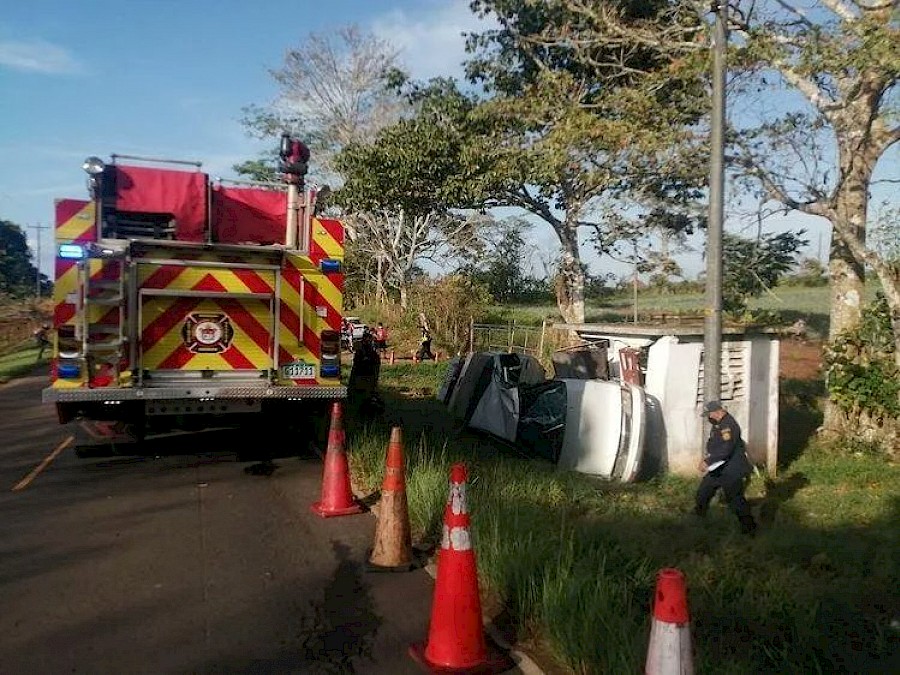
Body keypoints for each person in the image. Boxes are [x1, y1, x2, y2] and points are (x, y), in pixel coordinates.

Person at [694, 401, 757, 535]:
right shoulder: (718, 425)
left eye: (710, 414)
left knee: (735, 499)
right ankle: (698, 521)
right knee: (703, 493)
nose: (709, 418)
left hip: (731, 470)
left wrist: (708, 461)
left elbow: (726, 449)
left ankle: (750, 528)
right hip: (718, 468)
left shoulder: (728, 425)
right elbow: (715, 445)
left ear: (718, 412)